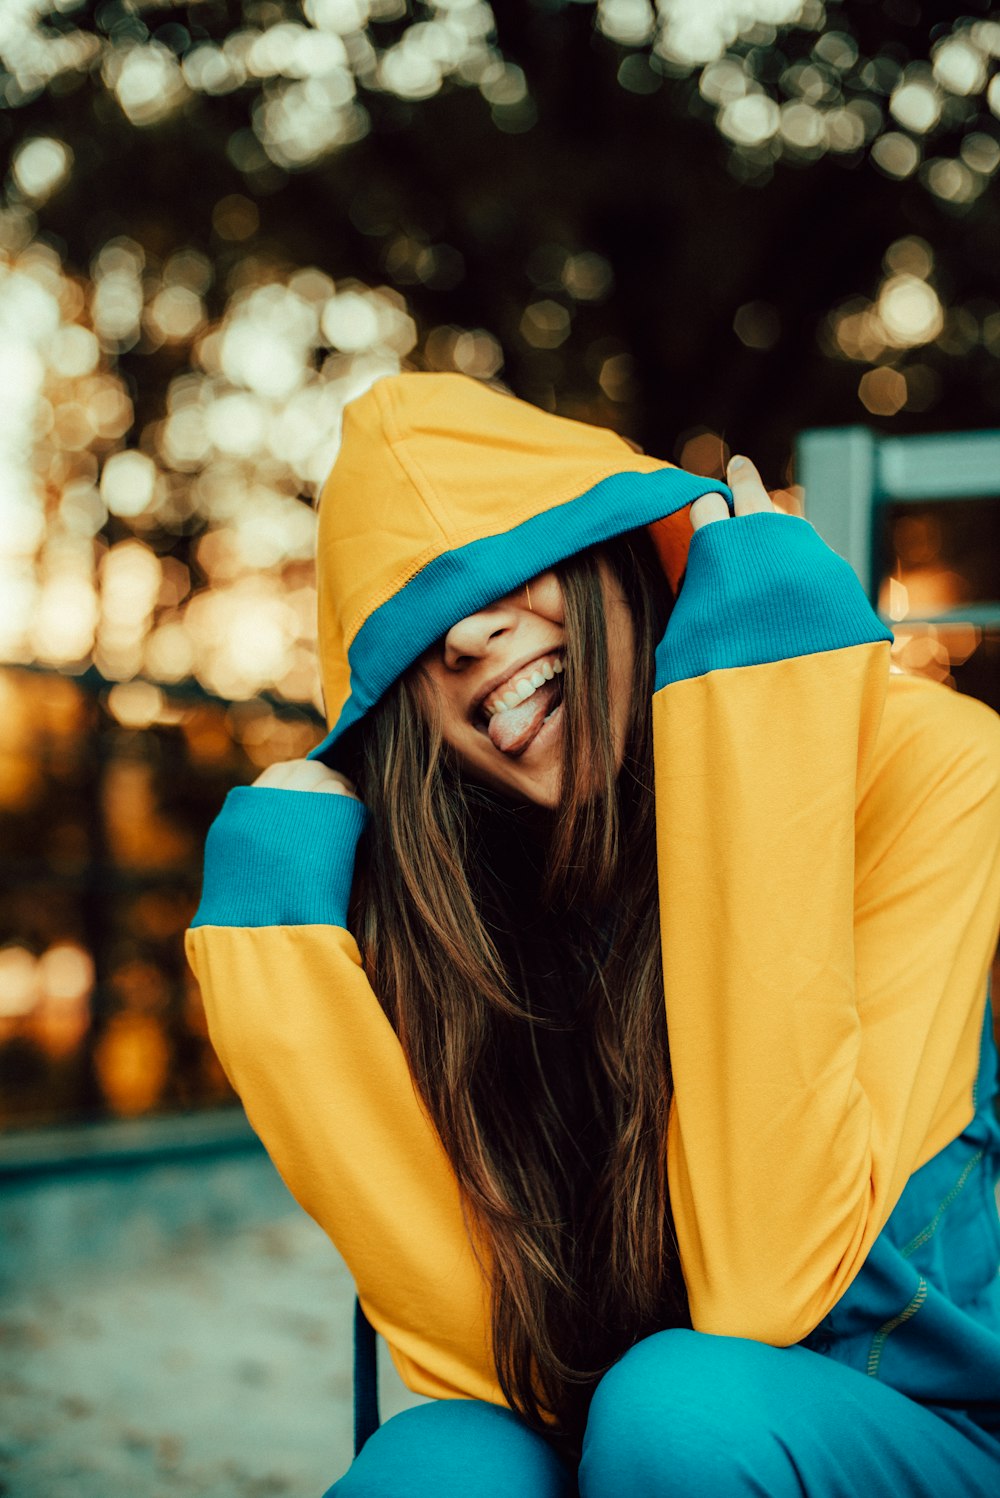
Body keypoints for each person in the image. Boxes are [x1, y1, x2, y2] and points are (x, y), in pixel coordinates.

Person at [186, 372, 1000, 1497]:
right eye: (416, 626)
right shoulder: (472, 903)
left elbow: (768, 1283)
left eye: (515, 555)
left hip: (915, 1422)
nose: (467, 631)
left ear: (618, 548)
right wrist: (271, 944)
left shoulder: (930, 765)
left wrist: (755, 701)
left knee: (680, 1411)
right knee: (433, 1469)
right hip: (609, 1427)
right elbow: (489, 1364)